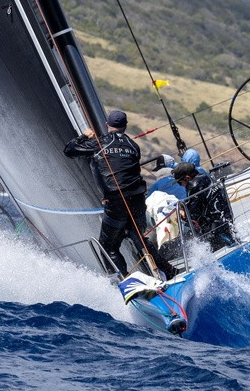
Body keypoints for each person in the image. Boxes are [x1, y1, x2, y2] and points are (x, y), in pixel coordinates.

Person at [63, 110, 177, 280]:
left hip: (116, 202)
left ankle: (124, 280)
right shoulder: (133, 146)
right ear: (125, 126)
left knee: (108, 246)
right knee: (139, 239)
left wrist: (84, 136)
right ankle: (169, 270)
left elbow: (69, 150)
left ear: (107, 125)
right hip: (138, 200)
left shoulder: (99, 143)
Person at [172, 162, 235, 251]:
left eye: (179, 183)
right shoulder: (207, 177)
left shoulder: (193, 185)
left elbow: (192, 215)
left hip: (213, 230)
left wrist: (181, 213)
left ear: (187, 178)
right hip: (227, 221)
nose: (181, 185)